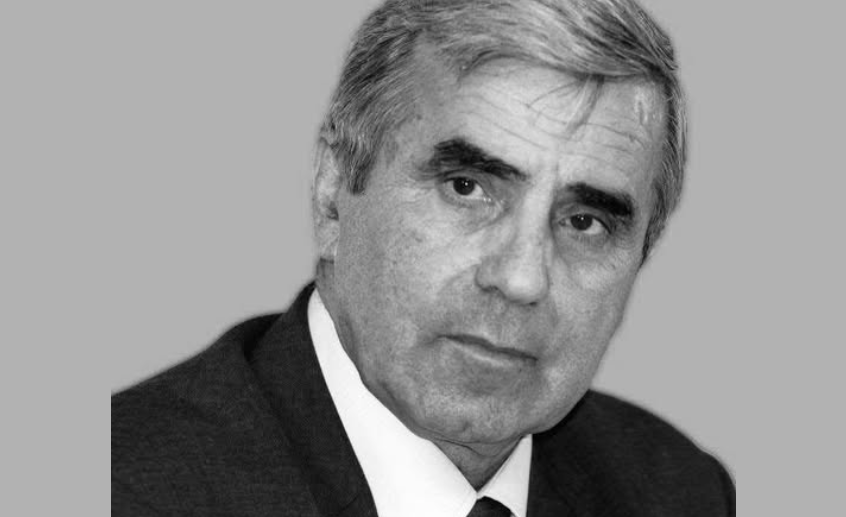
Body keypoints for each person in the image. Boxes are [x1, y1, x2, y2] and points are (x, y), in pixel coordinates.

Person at [112, 0, 735, 515]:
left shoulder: (679, 493)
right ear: (333, 193)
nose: (521, 278)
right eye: (467, 188)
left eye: (584, 222)